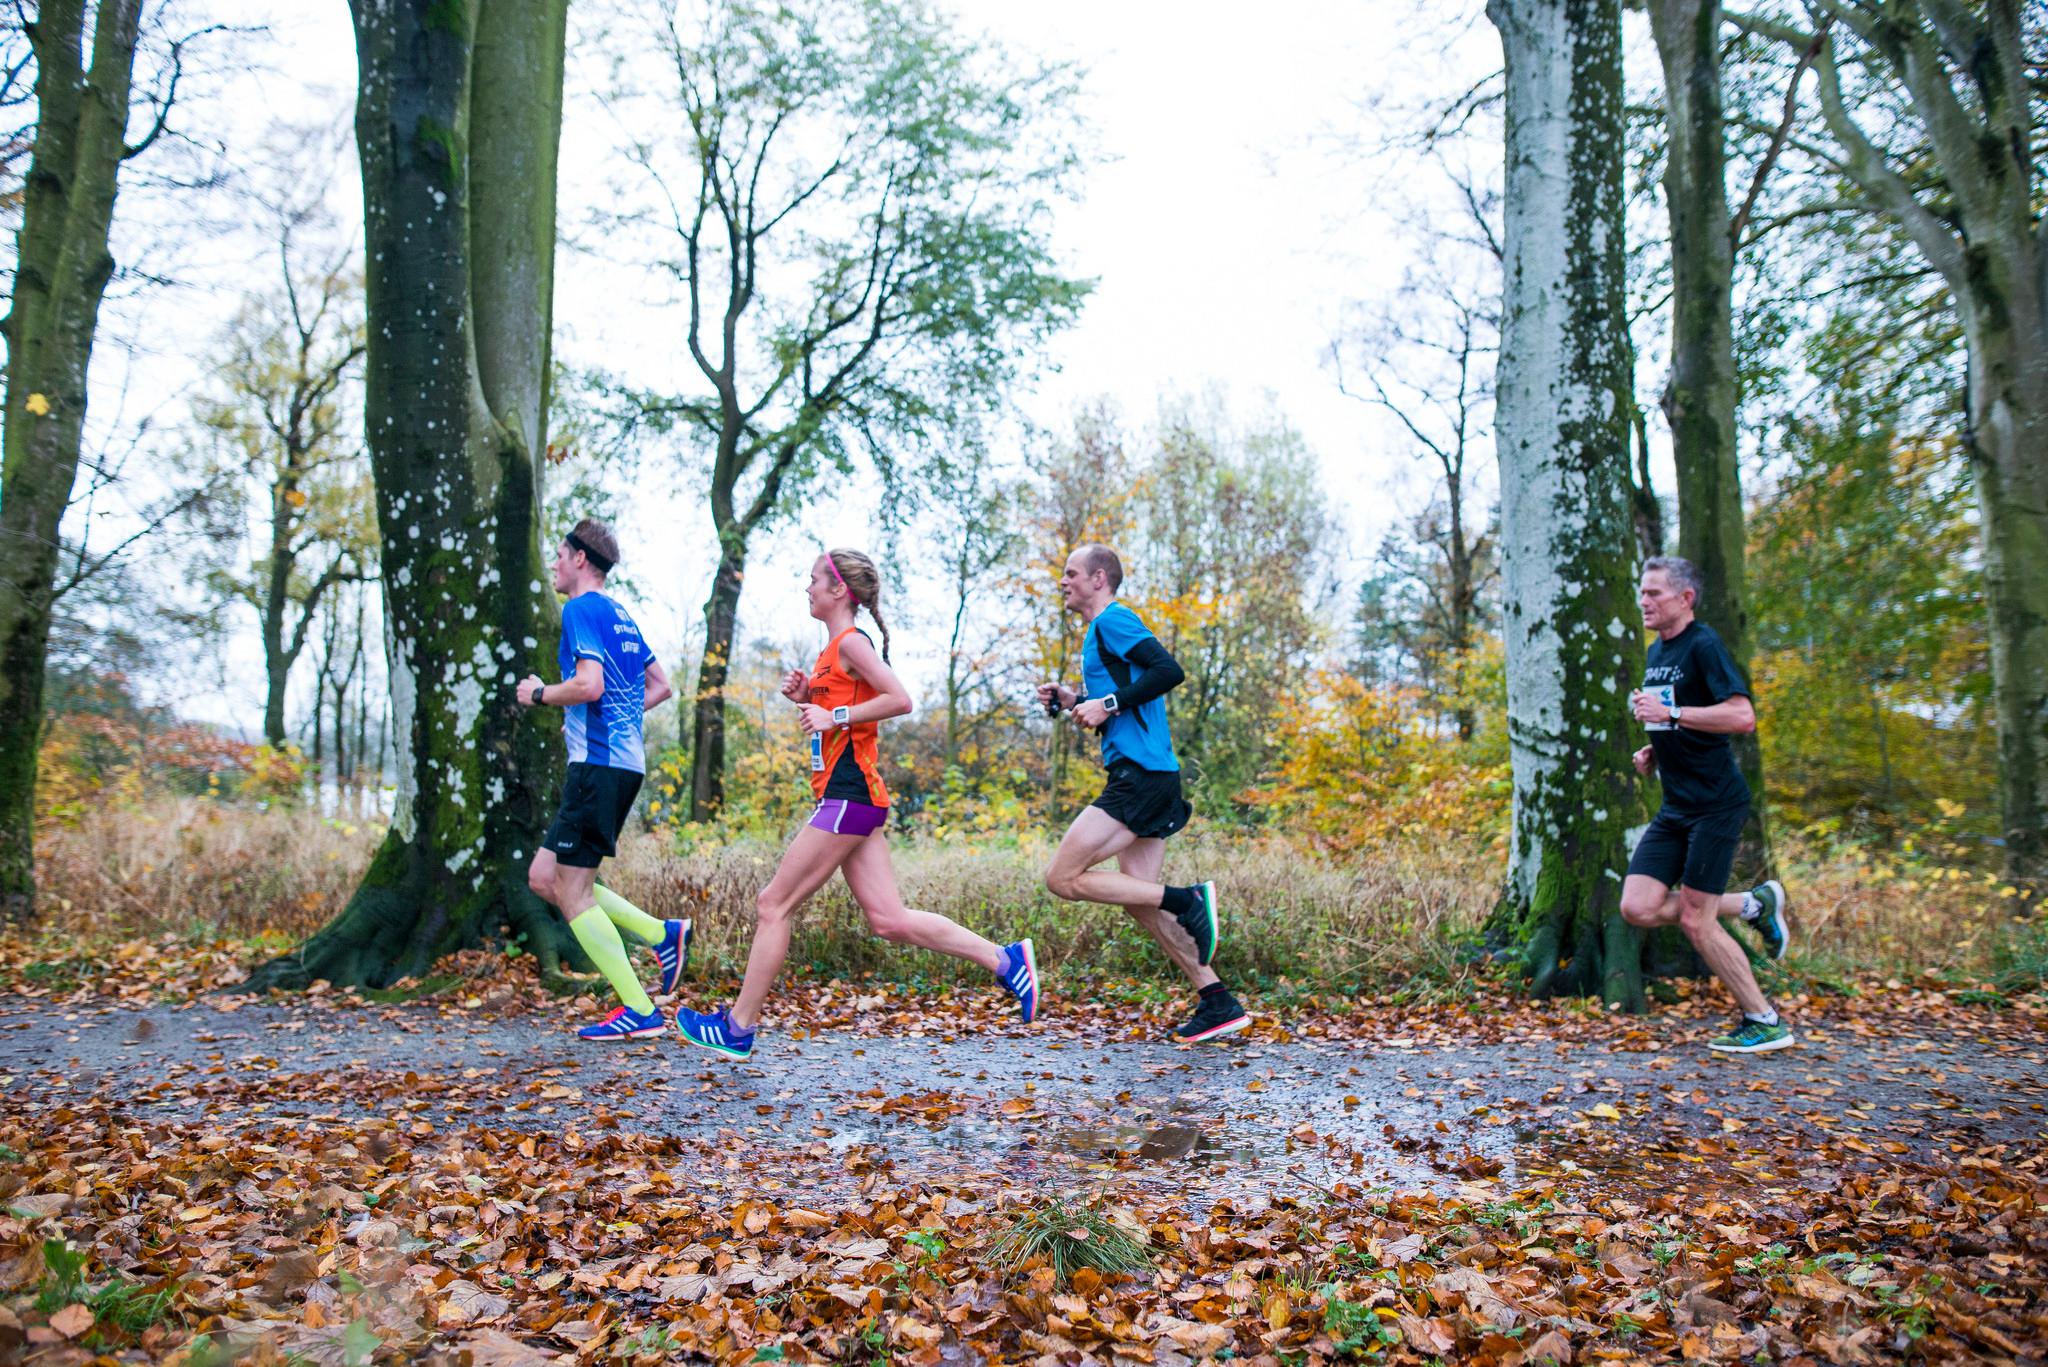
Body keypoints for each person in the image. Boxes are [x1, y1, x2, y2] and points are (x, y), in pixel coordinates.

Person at [673, 548, 1039, 1060]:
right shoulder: (830, 652)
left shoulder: (852, 642)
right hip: (850, 799)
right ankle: (1006, 962)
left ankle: (738, 1027)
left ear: (838, 589)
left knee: (772, 904)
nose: (807, 589)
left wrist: (833, 712)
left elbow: (900, 699)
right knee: (888, 920)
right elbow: (835, 725)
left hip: (849, 798)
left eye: (813, 581)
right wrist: (806, 700)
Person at [1034, 544, 1249, 1044]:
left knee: (1063, 877)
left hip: (1141, 776)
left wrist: (1106, 703)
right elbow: (1124, 699)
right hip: (1148, 773)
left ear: (1099, 578)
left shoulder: (1114, 619)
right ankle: (1217, 1000)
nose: (1063, 582)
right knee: (1137, 898)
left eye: (1071, 573)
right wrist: (1074, 700)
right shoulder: (1096, 634)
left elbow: (1167, 671)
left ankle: (1187, 898)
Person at [516, 519, 692, 1041]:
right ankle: (662, 934)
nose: (554, 564)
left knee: (572, 891)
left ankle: (639, 1010)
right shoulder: (622, 616)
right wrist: (621, 717)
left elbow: (589, 685)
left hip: (597, 766)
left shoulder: (581, 609)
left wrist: (540, 694)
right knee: (544, 878)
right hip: (620, 763)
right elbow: (660, 685)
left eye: (560, 555)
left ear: (580, 560)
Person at [1620, 555, 1793, 1054]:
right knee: (1637, 907)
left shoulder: (1704, 645)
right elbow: (1683, 722)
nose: (1644, 600)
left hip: (1716, 803)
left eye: (1654, 593)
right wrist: (1659, 747)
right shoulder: (1657, 652)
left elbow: (1741, 716)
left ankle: (1765, 1021)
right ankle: (1754, 904)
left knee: (1697, 920)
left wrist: (1670, 716)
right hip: (1676, 804)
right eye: (1642, 591)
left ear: (1685, 598)